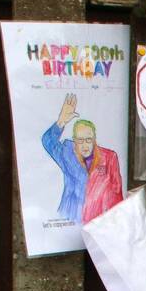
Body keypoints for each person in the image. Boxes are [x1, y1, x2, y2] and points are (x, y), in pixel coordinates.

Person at [42, 93, 123, 225]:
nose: (85, 144)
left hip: (98, 222)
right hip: (71, 217)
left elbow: (117, 192)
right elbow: (47, 141)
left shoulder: (109, 157)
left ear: (94, 139)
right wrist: (61, 121)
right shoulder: (67, 153)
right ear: (74, 141)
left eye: (88, 139)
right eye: (80, 140)